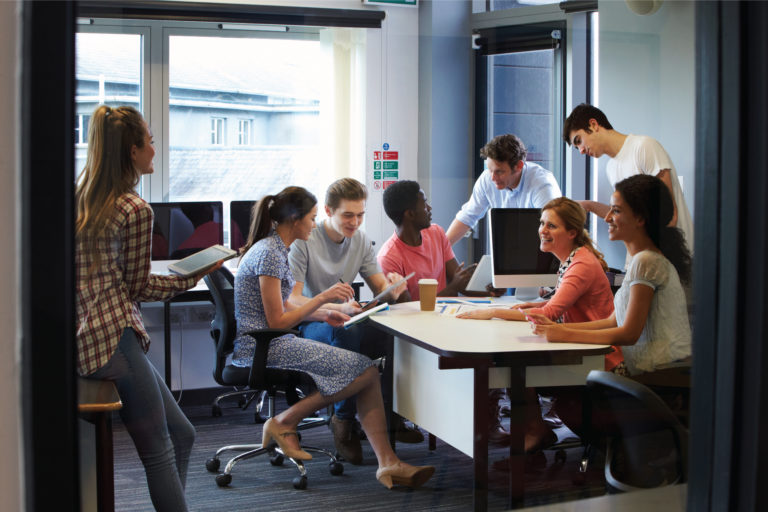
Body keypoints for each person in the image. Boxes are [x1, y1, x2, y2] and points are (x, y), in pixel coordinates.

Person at [233, 186, 435, 489]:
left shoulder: (273, 249)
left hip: (272, 340)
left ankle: (388, 462)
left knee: (365, 368)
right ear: (295, 219)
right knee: (366, 371)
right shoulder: (272, 254)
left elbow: (285, 304)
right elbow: (277, 320)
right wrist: (324, 299)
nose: (314, 225)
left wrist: (323, 314)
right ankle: (286, 420)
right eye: (311, 219)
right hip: (265, 346)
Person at [76, 105, 219, 511]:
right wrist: (195, 273)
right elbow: (139, 288)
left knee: (184, 433)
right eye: (151, 142)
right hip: (114, 340)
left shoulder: (81, 197)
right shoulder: (134, 209)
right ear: (133, 151)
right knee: (158, 451)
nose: (155, 150)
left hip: (86, 338)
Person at [456, 197, 619, 453]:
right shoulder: (573, 259)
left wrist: (492, 313)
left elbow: (550, 313)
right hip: (578, 345)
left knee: (514, 364)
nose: (543, 230)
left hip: (597, 355)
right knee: (513, 360)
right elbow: (555, 303)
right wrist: (528, 306)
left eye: (552, 226)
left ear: (572, 232)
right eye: (542, 223)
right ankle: (535, 428)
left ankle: (534, 430)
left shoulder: (581, 265)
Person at [288, 178, 422, 464]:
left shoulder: (360, 239)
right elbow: (295, 301)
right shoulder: (305, 240)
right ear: (328, 211)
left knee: (391, 334)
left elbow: (379, 289)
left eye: (360, 214)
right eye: (348, 215)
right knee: (347, 335)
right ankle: (344, 420)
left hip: (347, 318)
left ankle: (393, 417)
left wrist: (394, 288)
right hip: (313, 321)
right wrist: (330, 306)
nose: (355, 222)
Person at [529, 174, 692, 376]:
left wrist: (564, 333)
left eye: (615, 211)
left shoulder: (646, 262)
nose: (607, 217)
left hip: (658, 375)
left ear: (640, 218)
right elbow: (612, 322)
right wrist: (559, 330)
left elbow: (629, 334)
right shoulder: (640, 261)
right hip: (649, 370)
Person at [563, 103, 693, 253]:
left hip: (670, 256)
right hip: (641, 257)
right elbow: (624, 215)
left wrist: (654, 259)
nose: (581, 151)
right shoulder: (611, 168)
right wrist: (589, 205)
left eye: (579, 141)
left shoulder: (644, 147)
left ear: (593, 125)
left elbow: (670, 214)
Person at [445, 134, 562, 245]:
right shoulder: (487, 179)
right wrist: (441, 251)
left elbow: (553, 229)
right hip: (506, 253)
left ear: (519, 166)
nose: (493, 177)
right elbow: (467, 217)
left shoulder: (542, 184)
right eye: (489, 169)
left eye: (499, 172)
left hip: (541, 251)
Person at [378, 180, 476, 301]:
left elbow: (460, 282)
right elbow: (406, 310)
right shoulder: (388, 258)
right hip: (417, 319)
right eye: (424, 204)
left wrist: (491, 290)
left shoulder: (437, 233)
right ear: (410, 214)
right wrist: (452, 287)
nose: (429, 208)